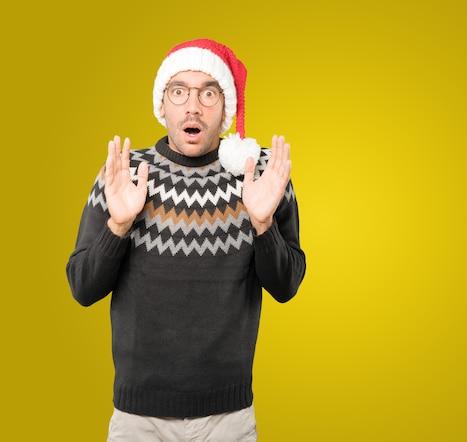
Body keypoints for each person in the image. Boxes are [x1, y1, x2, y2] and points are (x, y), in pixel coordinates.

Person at [66, 38, 306, 441]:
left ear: (225, 109)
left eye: (208, 93)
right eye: (179, 91)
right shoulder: (124, 172)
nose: (192, 106)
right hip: (138, 420)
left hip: (228, 418)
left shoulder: (261, 173)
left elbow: (286, 287)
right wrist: (118, 227)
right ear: (163, 105)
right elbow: (83, 288)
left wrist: (263, 225)